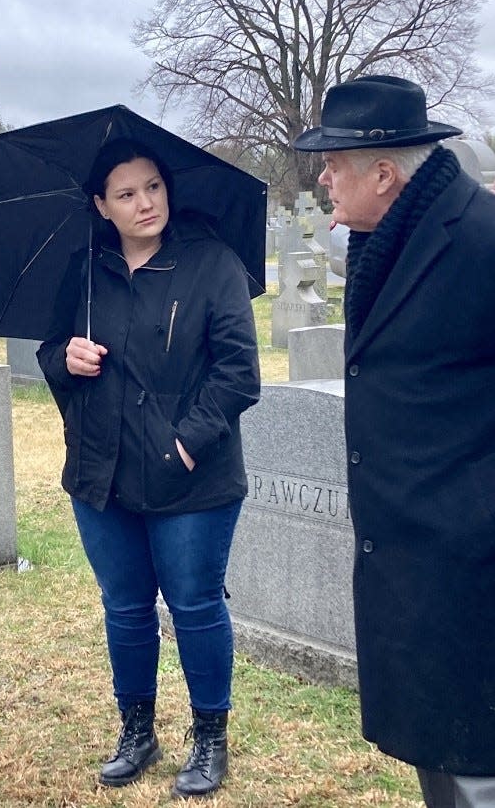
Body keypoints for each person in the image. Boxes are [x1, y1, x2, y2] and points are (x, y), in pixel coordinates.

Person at [293, 75, 495, 807]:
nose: (321, 177)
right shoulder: (389, 239)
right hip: (410, 568)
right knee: (436, 751)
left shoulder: (478, 238)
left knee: (478, 761)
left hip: (472, 568)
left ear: (384, 174)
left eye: (333, 163)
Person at [36, 138, 260, 798]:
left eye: (153, 186)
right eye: (127, 193)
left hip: (192, 477)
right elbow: (52, 351)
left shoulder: (210, 263)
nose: (145, 203)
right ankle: (137, 729)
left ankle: (210, 735)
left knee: (193, 604)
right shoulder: (83, 270)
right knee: (125, 607)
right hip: (100, 475)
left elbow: (239, 373)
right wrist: (63, 360)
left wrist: (187, 442)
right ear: (102, 205)